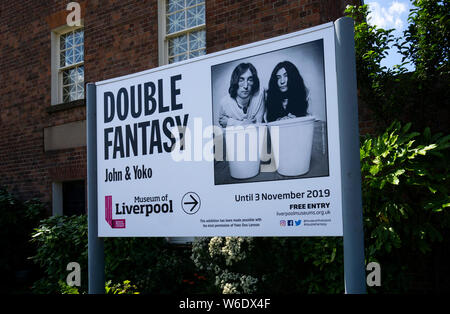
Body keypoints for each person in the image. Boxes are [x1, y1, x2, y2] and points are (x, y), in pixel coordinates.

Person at [218, 62, 265, 128]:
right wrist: (245, 123)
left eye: (250, 80)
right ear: (235, 81)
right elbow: (222, 125)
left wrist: (230, 122)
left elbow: (258, 127)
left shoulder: (259, 96)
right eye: (241, 80)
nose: (246, 86)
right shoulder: (225, 103)